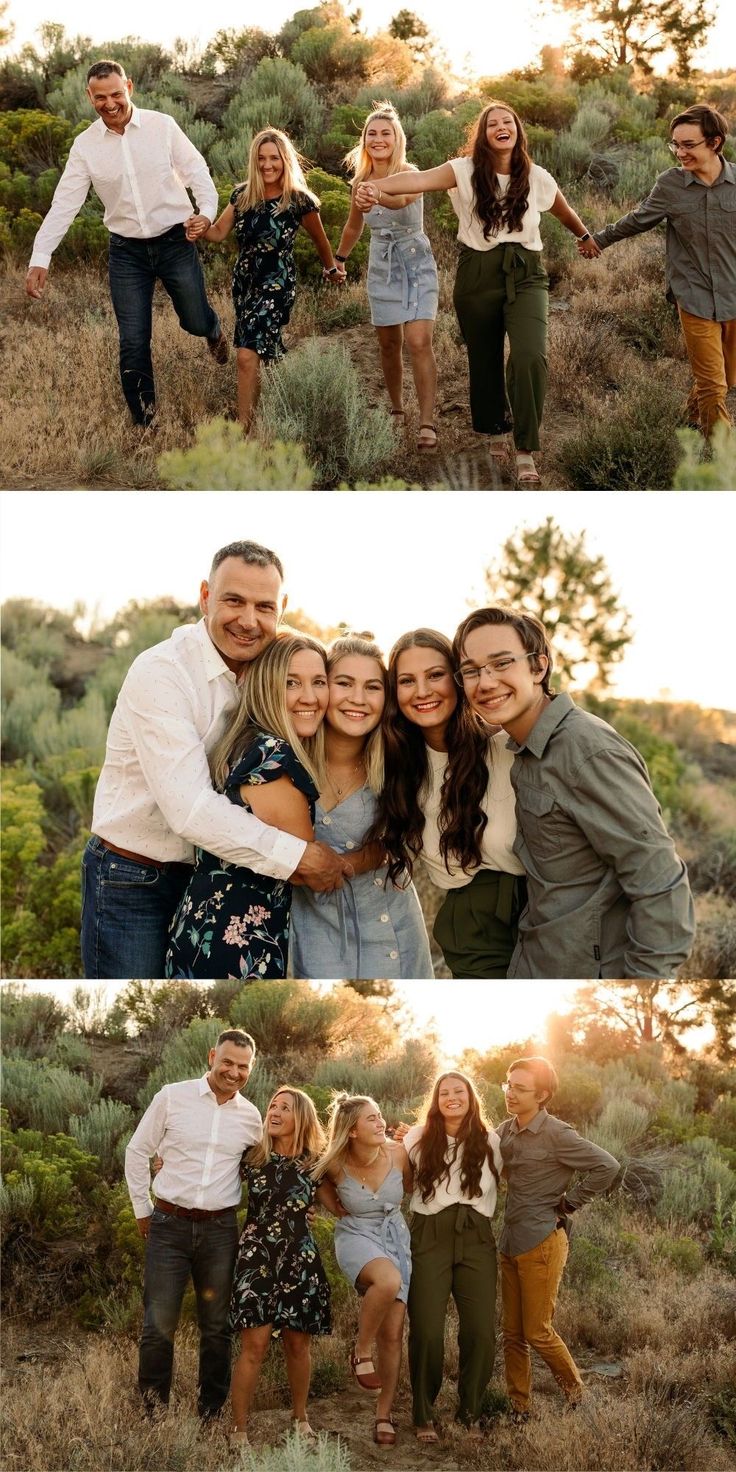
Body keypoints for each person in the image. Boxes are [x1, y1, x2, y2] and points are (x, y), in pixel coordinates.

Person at [81, 540, 350, 980]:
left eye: (264, 606)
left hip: (205, 879)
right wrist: (298, 857)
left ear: (281, 608)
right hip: (131, 879)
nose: (248, 620)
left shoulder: (268, 666)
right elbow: (190, 810)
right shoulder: (163, 672)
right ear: (205, 597)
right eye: (233, 601)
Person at [358, 101, 596, 485]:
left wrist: (583, 236)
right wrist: (373, 187)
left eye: (508, 122)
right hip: (477, 273)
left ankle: (524, 448)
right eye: (492, 124)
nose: (501, 127)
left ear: (518, 130)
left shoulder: (537, 176)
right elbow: (415, 182)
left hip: (526, 272)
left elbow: (561, 209)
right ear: (483, 136)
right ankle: (494, 428)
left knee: (530, 355)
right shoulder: (464, 170)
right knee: (483, 356)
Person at [453, 605, 696, 978]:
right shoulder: (523, 748)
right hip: (536, 964)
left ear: (539, 667)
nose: (485, 683)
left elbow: (659, 882)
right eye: (472, 671)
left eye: (502, 663)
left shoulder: (587, 752)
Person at [25, 60, 228, 426]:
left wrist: (206, 213)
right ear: (90, 97)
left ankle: (212, 331)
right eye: (100, 97)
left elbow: (197, 170)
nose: (110, 103)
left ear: (129, 88)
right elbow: (65, 204)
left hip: (174, 241)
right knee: (133, 339)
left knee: (195, 320)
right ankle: (145, 420)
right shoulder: (85, 146)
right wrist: (41, 257)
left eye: (116, 94)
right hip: (127, 253)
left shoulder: (161, 126)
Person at [166, 630, 328, 979]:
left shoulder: (243, 741)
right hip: (239, 942)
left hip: (200, 927)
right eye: (292, 683)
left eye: (319, 681)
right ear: (267, 687)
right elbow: (308, 870)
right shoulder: (275, 760)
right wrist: (372, 855)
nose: (310, 697)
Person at [124, 1029, 261, 1419]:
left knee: (216, 1328)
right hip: (168, 1225)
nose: (234, 1072)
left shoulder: (251, 1117)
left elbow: (269, 1167)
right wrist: (142, 1209)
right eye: (228, 1063)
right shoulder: (172, 1096)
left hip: (220, 1232)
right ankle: (153, 1412)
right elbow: (138, 1151)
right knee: (157, 1325)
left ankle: (211, 1412)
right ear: (212, 1055)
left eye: (243, 1067)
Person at [374, 629, 525, 977]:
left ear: (458, 678)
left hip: (543, 909)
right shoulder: (397, 767)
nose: (423, 691)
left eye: (435, 675)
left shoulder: (507, 747)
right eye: (407, 680)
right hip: (472, 927)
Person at [580, 104, 735, 440]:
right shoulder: (670, 185)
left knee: (726, 376)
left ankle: (691, 418)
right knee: (713, 383)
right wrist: (598, 240)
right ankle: (724, 454)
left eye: (688, 145)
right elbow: (638, 219)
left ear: (715, 142)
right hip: (693, 295)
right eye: (675, 145)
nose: (680, 152)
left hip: (734, 294)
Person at [290, 633, 433, 978]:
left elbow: (401, 841)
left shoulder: (401, 759)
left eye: (372, 687)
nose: (358, 699)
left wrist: (344, 863)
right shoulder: (289, 760)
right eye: (344, 683)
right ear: (323, 687)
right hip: (317, 925)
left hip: (392, 923)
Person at [187, 128, 345, 430]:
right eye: (261, 158)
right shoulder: (242, 196)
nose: (267, 164)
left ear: (285, 160)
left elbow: (320, 241)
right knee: (262, 352)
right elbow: (218, 233)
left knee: (246, 355)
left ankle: (244, 430)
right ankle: (276, 408)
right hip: (245, 282)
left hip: (277, 283)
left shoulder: (299, 201)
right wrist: (195, 222)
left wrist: (331, 268)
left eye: (274, 158)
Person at [497, 1056, 620, 1422]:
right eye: (509, 1085)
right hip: (509, 1242)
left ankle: (579, 1400)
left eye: (521, 1089)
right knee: (511, 1335)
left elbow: (608, 1166)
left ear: (543, 1095)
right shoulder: (505, 1130)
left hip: (542, 1244)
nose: (511, 1093)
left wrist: (571, 1202)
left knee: (537, 1331)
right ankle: (520, 1408)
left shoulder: (557, 1134)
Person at [399, 1071, 503, 1443]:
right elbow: (391, 1172)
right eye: (445, 1092)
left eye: (459, 1091)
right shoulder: (416, 1137)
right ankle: (423, 1413)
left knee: (480, 1331)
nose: (452, 1097)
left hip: (476, 1235)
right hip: (429, 1234)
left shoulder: (492, 1141)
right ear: (436, 1099)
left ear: (471, 1097)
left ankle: (470, 1412)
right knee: (426, 1329)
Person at [229, 1087, 333, 1447]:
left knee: (298, 1345)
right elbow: (206, 1168)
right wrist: (164, 1162)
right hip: (256, 1259)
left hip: (299, 1260)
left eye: (284, 1107)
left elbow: (345, 1200)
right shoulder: (252, 1158)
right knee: (254, 1346)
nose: (273, 1111)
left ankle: (300, 1419)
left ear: (300, 1118)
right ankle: (239, 1430)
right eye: (272, 1105)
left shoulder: (315, 1165)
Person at [335, 103, 440, 450]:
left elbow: (403, 199)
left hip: (416, 261)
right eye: (372, 134)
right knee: (388, 344)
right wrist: (339, 259)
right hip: (382, 263)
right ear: (364, 141)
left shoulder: (412, 172)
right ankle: (397, 409)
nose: (378, 139)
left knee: (418, 341)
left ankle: (427, 421)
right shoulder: (360, 183)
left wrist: (379, 194)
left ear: (398, 140)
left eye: (386, 133)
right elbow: (353, 225)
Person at [313, 1094, 412, 1448]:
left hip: (395, 1237)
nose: (380, 1122)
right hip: (356, 1234)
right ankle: (361, 1350)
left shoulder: (399, 1153)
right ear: (351, 1130)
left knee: (395, 1332)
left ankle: (383, 1414)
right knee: (387, 1280)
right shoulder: (335, 1163)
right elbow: (311, 1178)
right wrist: (330, 1207)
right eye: (371, 1119)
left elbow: (415, 1185)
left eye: (380, 1115)